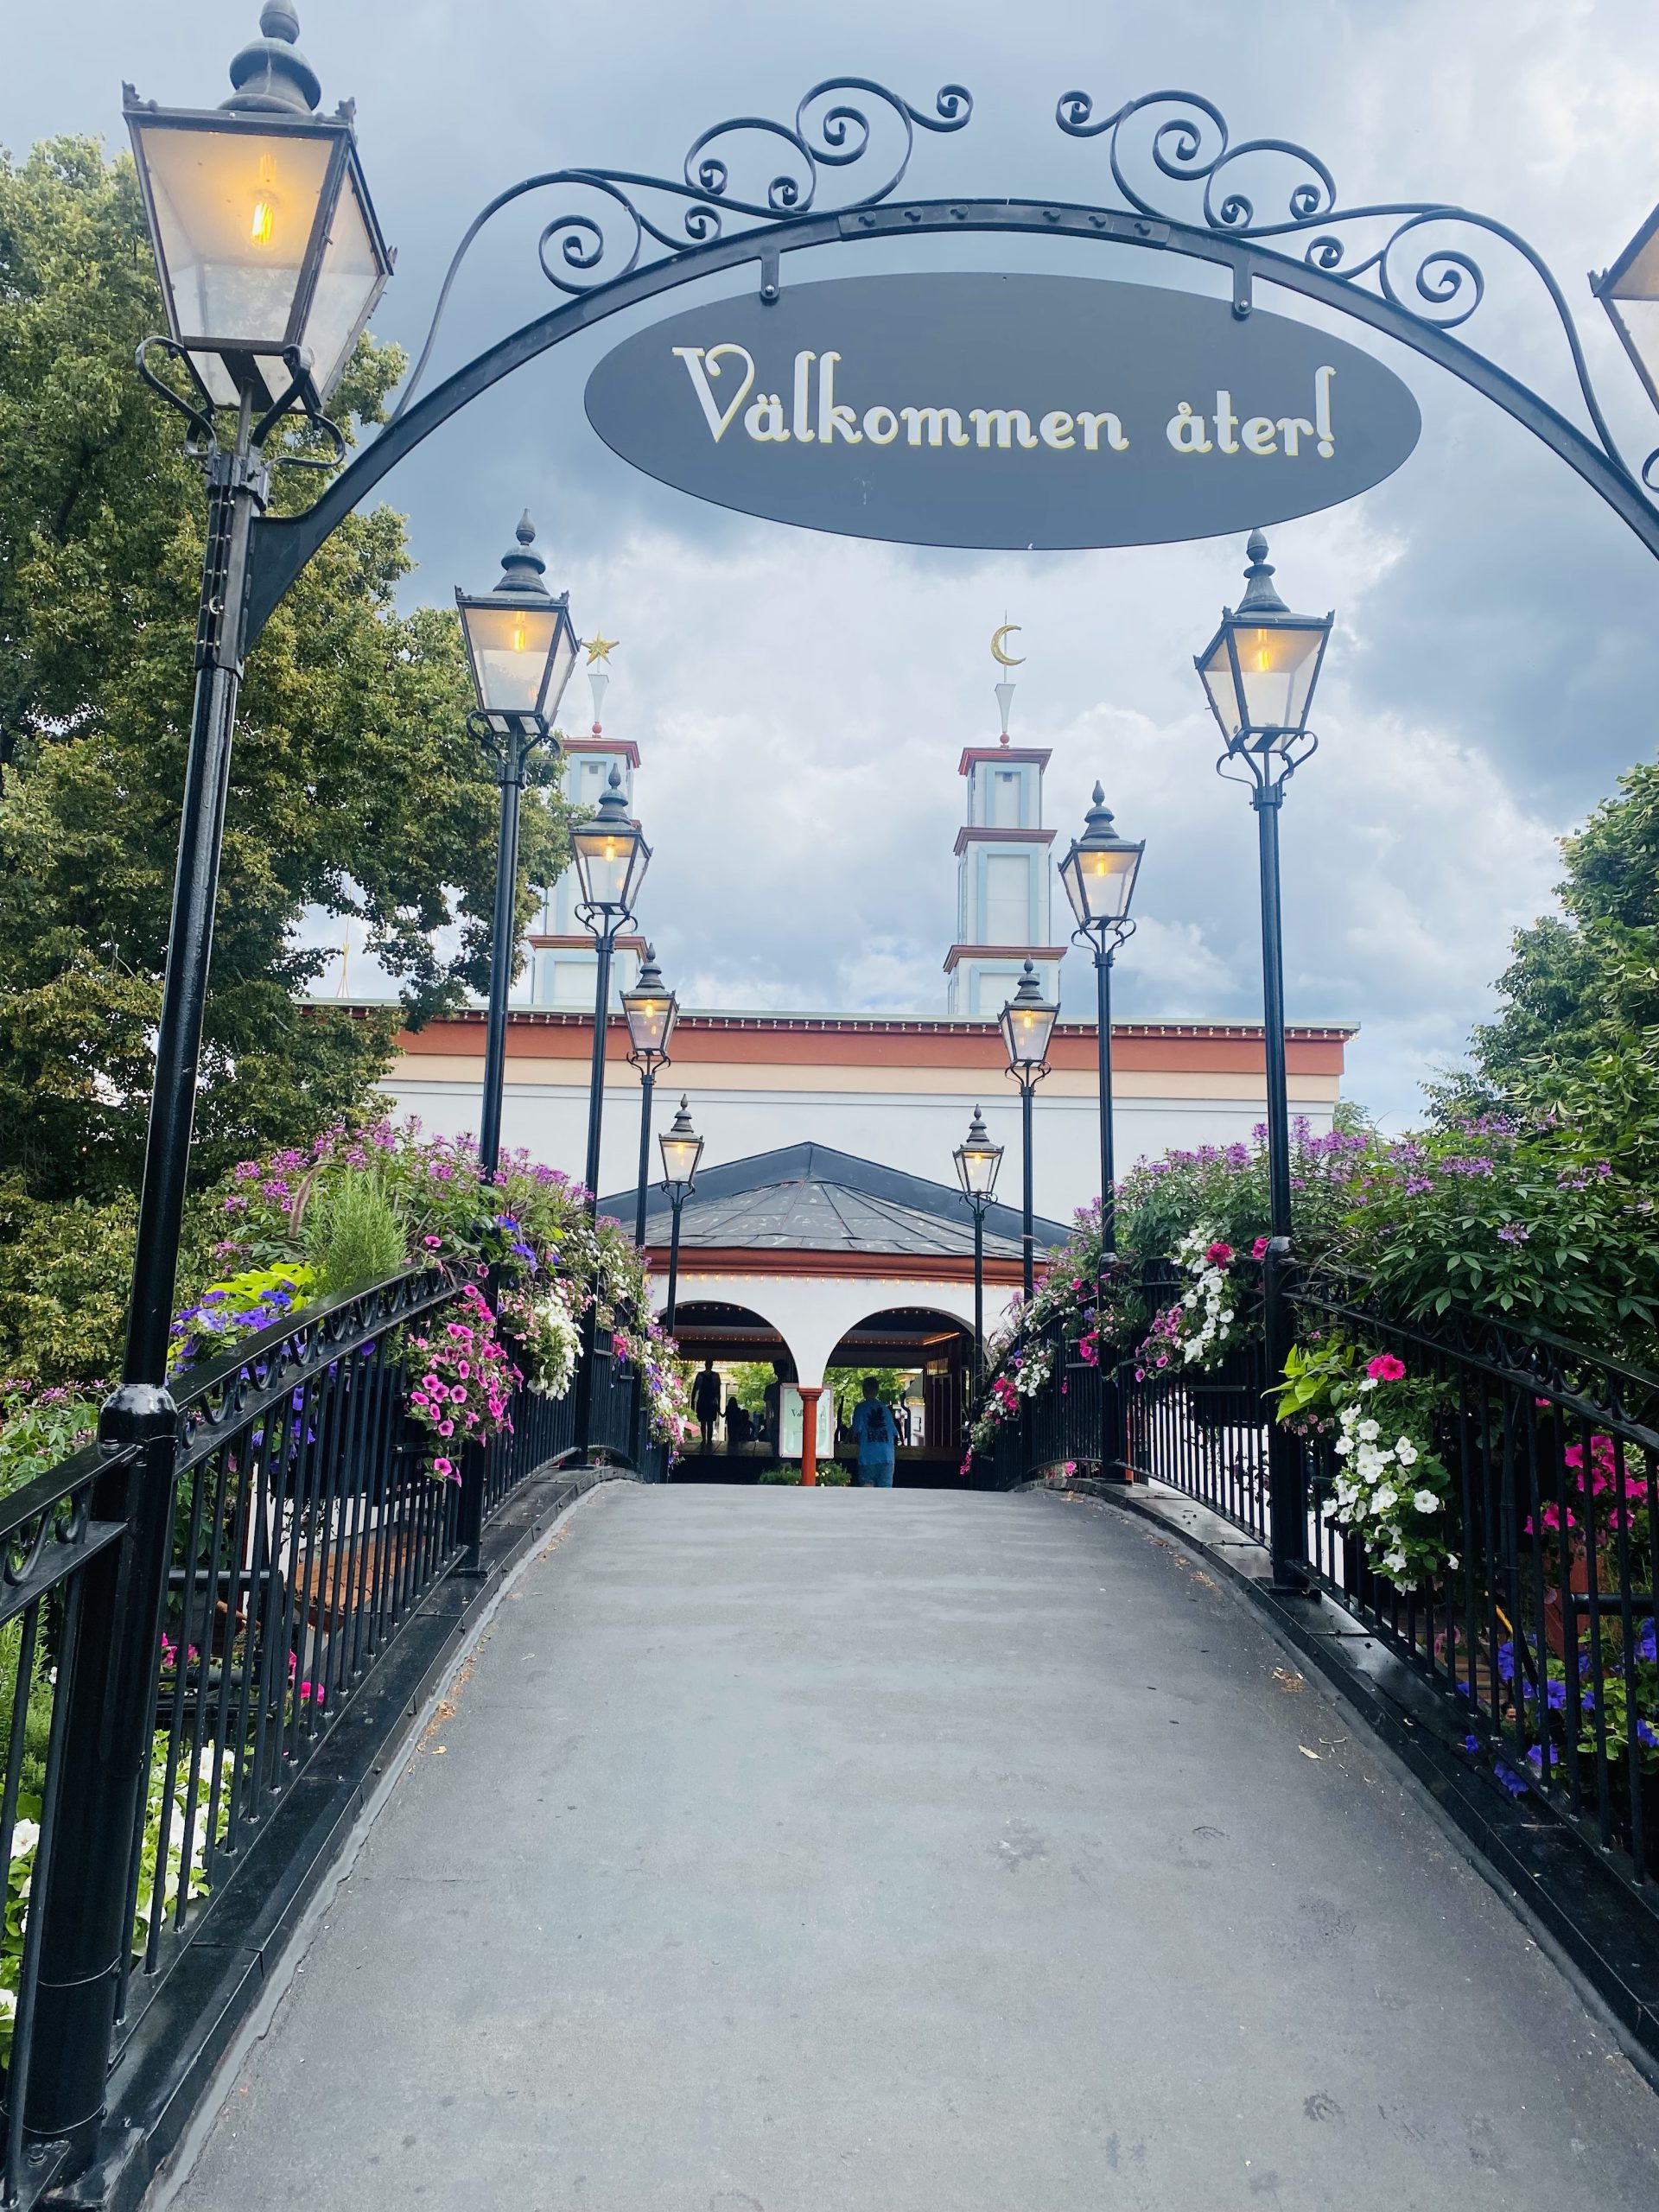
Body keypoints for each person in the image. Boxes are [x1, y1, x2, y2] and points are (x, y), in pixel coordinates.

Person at [849, 1376, 897, 1488]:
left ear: (863, 1390)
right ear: (877, 1390)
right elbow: (894, 1434)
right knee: (885, 1491)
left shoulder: (861, 1409)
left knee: (868, 1490)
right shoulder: (886, 1410)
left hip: (868, 1457)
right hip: (887, 1457)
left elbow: (855, 1434)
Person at [691, 1359, 721, 1452]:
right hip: (711, 1402)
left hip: (702, 1401)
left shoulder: (700, 1375)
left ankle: (704, 1439)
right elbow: (718, 1391)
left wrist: (692, 1401)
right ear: (711, 1365)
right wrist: (719, 1404)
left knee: (703, 1422)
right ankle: (708, 1440)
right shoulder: (716, 1376)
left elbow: (695, 1389)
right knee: (710, 1422)